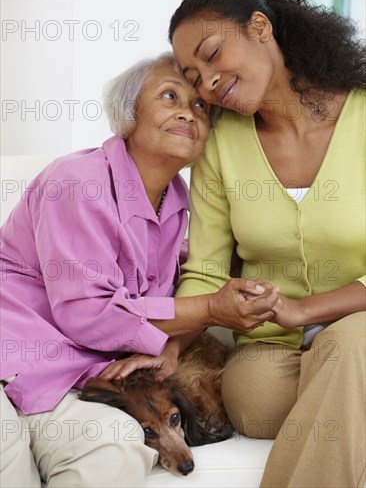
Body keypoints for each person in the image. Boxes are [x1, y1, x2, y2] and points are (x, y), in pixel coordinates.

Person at [0, 51, 277, 488]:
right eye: (171, 97)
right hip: (14, 353)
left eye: (202, 107)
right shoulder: (78, 180)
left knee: (116, 448)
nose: (189, 112)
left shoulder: (178, 200)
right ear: (128, 115)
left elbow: (152, 276)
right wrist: (209, 308)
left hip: (79, 375)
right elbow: (89, 311)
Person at [167, 0, 366, 487]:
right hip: (273, 347)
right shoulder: (220, 144)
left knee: (351, 344)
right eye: (194, 77)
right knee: (251, 398)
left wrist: (306, 311)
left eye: (213, 55)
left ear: (260, 27)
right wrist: (168, 349)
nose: (208, 83)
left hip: (361, 323)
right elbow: (206, 269)